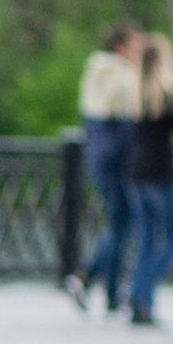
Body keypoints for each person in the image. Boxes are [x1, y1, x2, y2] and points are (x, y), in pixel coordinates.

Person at [72, 21, 142, 313]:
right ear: (119, 46)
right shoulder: (122, 75)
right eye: (134, 45)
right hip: (116, 158)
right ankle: (86, 275)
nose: (138, 51)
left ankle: (110, 292)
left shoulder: (96, 72)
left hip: (100, 156)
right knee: (125, 222)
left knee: (120, 222)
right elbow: (129, 117)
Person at [126, 33, 173, 329]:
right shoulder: (167, 94)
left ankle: (142, 303)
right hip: (159, 173)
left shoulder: (136, 94)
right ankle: (140, 293)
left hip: (135, 171)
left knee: (147, 240)